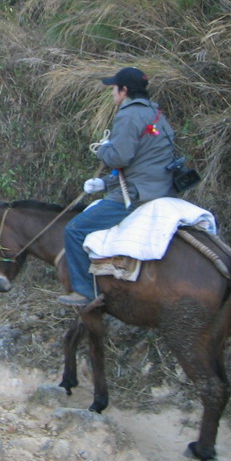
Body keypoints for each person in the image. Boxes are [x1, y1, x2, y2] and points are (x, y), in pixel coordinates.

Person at [60, 67, 177, 306]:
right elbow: (144, 161)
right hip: (162, 188)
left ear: (124, 90)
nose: (112, 92)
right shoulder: (156, 113)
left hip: (137, 195)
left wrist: (103, 147)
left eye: (114, 88)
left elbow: (119, 158)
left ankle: (84, 292)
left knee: (74, 230)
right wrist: (103, 182)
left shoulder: (128, 114)